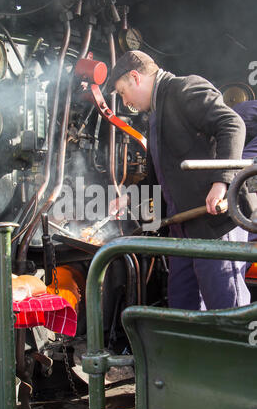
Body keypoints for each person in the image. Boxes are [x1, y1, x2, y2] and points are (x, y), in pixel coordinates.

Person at [107, 50, 257, 310]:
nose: (125, 101)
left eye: (122, 92)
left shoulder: (183, 88)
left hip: (214, 226)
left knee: (226, 310)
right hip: (182, 231)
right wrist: (130, 196)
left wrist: (221, 183)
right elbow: (161, 178)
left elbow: (232, 124)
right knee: (182, 308)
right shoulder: (155, 117)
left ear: (135, 77)